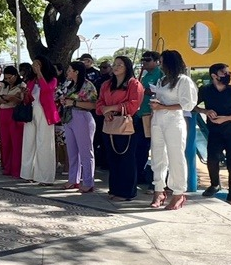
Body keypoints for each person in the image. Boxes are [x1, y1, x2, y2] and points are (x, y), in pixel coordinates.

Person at [195, 62, 231, 205]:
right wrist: (205, 111)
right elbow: (191, 105)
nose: (228, 75)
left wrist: (226, 118)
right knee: (212, 160)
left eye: (229, 73)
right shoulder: (205, 90)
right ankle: (214, 184)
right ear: (214, 76)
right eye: (224, 73)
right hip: (215, 132)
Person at [149, 50, 199, 210]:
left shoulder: (183, 81)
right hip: (158, 119)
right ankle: (158, 190)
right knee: (157, 155)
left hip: (174, 121)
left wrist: (163, 106)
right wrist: (157, 104)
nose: (160, 64)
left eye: (162, 61)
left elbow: (188, 105)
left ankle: (178, 193)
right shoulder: (162, 80)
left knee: (175, 156)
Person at [96, 56, 144, 201]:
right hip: (110, 123)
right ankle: (115, 189)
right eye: (114, 64)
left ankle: (127, 192)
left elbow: (133, 105)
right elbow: (99, 103)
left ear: (127, 67)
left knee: (126, 158)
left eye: (120, 65)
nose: (116, 67)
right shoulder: (106, 84)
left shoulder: (134, 84)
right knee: (112, 158)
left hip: (127, 123)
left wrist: (113, 108)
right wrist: (106, 110)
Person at [59, 61, 98, 192]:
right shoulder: (69, 85)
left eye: (70, 70)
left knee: (86, 152)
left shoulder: (88, 85)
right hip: (69, 118)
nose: (67, 72)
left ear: (76, 71)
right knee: (72, 151)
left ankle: (88, 181)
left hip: (83, 117)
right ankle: (73, 179)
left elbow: (93, 105)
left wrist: (74, 102)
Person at [21, 56, 60, 185]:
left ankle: (44, 176)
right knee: (29, 141)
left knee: (44, 143)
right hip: (31, 113)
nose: (34, 67)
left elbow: (47, 90)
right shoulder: (31, 80)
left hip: (45, 113)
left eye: (37, 64)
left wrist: (40, 75)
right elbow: (28, 97)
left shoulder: (52, 79)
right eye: (33, 65)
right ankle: (28, 173)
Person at [135, 51, 163, 186]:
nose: (144, 62)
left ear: (156, 61)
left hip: (153, 115)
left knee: (155, 146)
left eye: (148, 59)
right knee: (141, 147)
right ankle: (140, 173)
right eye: (143, 59)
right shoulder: (144, 76)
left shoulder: (161, 74)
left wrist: (149, 91)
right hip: (142, 115)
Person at [0, 66, 25, 178]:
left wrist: (13, 98)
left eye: (10, 78)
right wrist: (5, 99)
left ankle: (16, 168)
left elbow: (22, 101)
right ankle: (6, 166)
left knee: (16, 142)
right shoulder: (3, 86)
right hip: (3, 113)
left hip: (15, 114)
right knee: (5, 142)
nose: (8, 80)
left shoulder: (22, 86)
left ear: (15, 76)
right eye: (6, 78)